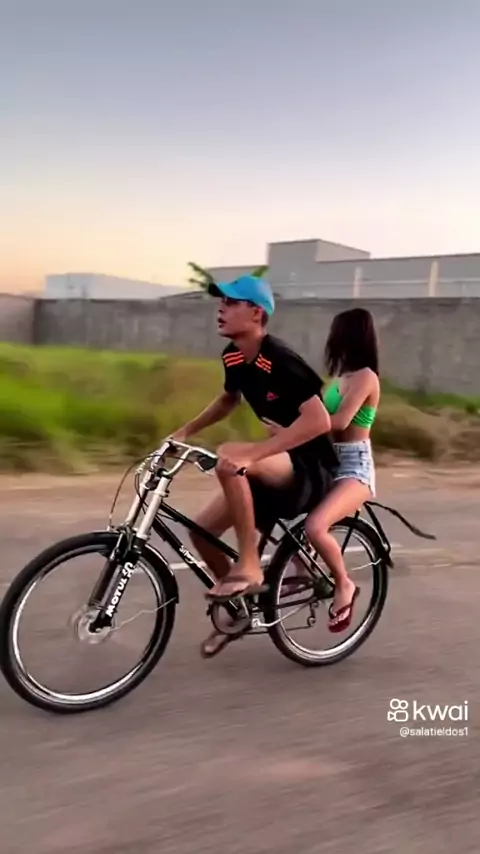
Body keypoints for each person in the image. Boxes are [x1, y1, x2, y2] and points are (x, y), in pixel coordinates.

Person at [170, 274, 339, 657]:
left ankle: (250, 564)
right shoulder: (234, 356)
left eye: (231, 302)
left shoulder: (278, 359)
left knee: (231, 458)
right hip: (277, 464)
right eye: (221, 302)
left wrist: (255, 453)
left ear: (256, 313)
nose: (221, 308)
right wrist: (185, 430)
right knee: (200, 533)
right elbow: (229, 399)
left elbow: (319, 422)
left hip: (310, 468)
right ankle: (240, 609)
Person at [302, 307, 380, 634]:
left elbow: (340, 421)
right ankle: (300, 579)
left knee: (315, 526)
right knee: (283, 519)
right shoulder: (338, 379)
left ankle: (344, 584)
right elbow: (316, 419)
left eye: (335, 332)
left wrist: (298, 428)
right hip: (327, 462)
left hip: (354, 467)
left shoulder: (366, 378)